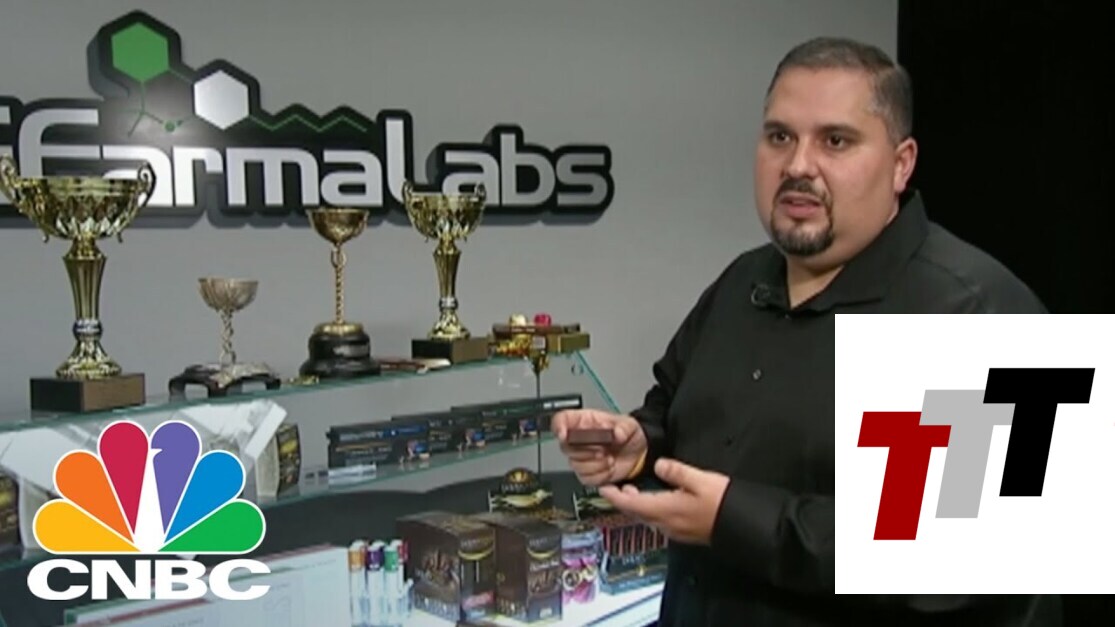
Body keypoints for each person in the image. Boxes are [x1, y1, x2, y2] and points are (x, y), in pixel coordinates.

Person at [552, 37, 1059, 627]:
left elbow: (968, 560)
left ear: (902, 164)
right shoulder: (740, 281)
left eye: (835, 141)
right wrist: (640, 445)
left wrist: (735, 520)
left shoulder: (986, 312)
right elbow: (673, 408)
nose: (797, 166)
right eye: (779, 137)